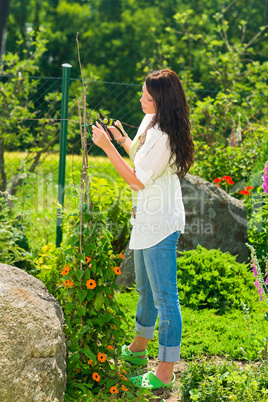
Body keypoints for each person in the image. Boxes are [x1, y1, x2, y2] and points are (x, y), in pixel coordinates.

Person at [92, 69, 194, 390]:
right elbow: (141, 162)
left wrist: (108, 147)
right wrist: (123, 140)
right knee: (146, 290)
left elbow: (136, 179)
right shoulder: (150, 121)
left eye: (147, 97)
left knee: (165, 297)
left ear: (162, 102)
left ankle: (165, 373)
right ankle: (138, 349)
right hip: (145, 218)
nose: (141, 99)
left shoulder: (164, 133)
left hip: (160, 221)